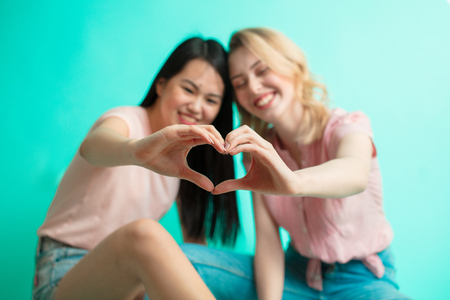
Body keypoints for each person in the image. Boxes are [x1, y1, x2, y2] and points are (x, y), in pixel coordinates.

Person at [183, 27, 410, 299]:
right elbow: (268, 241)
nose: (254, 87)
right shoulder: (255, 153)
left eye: (262, 70)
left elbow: (355, 173)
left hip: (363, 279)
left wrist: (292, 182)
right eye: (240, 83)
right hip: (296, 275)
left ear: (293, 67)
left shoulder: (347, 126)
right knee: (179, 261)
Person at [32, 37, 240, 300]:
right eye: (188, 90)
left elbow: (196, 249)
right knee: (145, 234)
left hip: (127, 284)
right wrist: (136, 151)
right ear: (161, 85)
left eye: (211, 100)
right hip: (64, 271)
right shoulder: (126, 120)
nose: (197, 107)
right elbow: (93, 147)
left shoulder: (185, 159)